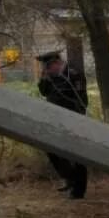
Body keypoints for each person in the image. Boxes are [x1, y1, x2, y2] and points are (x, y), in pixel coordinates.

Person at [36, 50, 88, 199]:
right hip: (55, 120)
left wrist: (77, 118)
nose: (46, 71)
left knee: (77, 155)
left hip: (73, 119)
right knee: (52, 149)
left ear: (57, 63)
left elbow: (81, 99)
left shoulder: (73, 74)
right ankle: (69, 178)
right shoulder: (51, 77)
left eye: (48, 67)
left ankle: (79, 190)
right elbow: (44, 92)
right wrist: (44, 78)